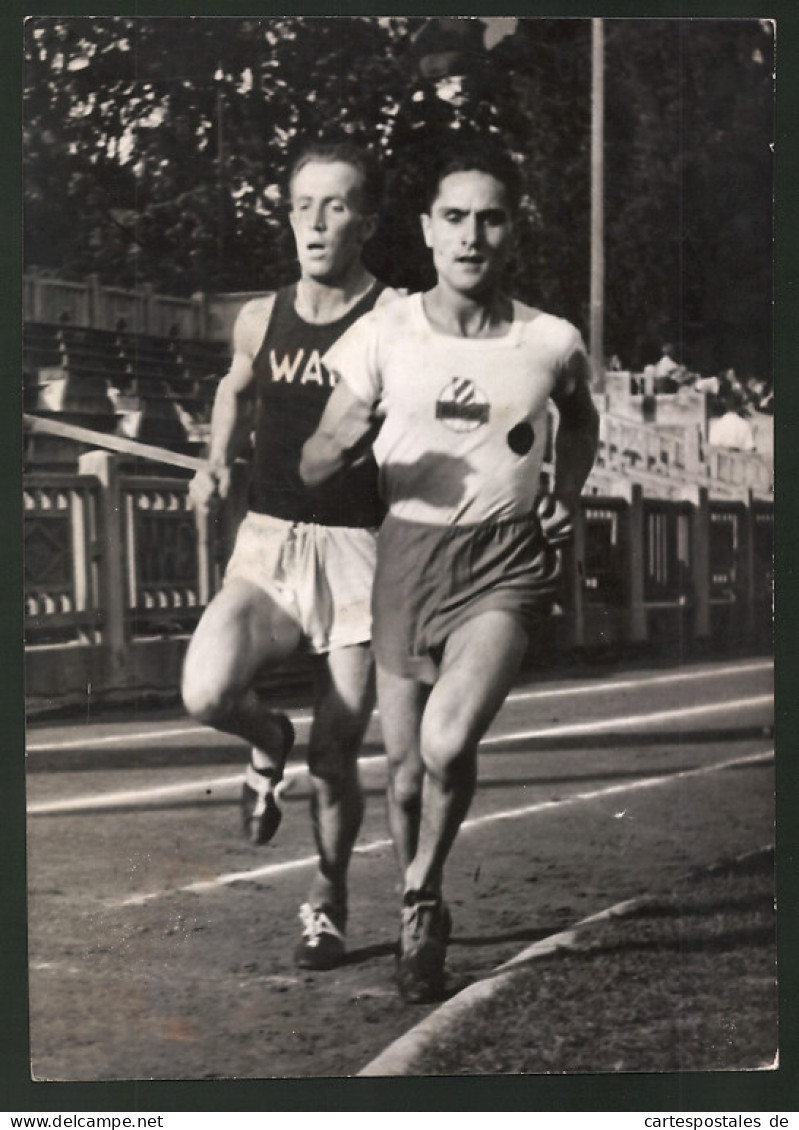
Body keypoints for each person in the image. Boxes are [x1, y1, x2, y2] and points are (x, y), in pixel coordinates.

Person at [300, 139, 600, 1002]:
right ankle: (414, 899)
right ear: (428, 230)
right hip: (405, 557)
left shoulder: (550, 341)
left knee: (445, 740)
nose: (472, 236)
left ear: (514, 231)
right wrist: (342, 445)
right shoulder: (381, 333)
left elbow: (578, 423)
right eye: (455, 218)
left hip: (503, 563)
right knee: (401, 773)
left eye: (491, 218)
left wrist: (565, 492)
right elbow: (317, 459)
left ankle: (425, 898)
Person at [182, 140, 397, 971]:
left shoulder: (392, 319)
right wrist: (213, 460)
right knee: (204, 691)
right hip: (269, 544)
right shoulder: (259, 315)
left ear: (366, 222)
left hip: (357, 555)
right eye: (302, 203)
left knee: (337, 756)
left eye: (335, 204)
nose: (313, 220)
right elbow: (233, 389)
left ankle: (327, 900)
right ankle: (265, 738)